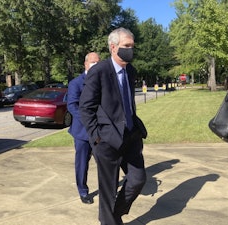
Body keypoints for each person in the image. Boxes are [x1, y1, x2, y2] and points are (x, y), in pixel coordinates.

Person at [79, 27, 147, 225]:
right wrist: (96, 138)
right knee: (108, 190)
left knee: (138, 179)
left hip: (131, 136)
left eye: (132, 46)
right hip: (106, 139)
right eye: (127, 46)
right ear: (113, 47)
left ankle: (115, 215)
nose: (131, 50)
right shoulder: (99, 72)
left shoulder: (131, 71)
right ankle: (109, 221)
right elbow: (86, 107)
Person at [67, 52, 100, 204]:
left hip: (101, 131)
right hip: (82, 132)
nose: (95, 65)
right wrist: (88, 120)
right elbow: (72, 105)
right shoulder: (76, 83)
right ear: (86, 64)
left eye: (98, 62)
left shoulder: (103, 81)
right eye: (93, 62)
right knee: (82, 163)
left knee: (104, 163)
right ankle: (83, 191)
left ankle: (107, 190)